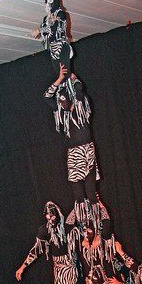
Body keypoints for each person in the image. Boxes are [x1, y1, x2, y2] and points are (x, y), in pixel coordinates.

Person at [44, 65, 98, 211]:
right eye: (60, 100)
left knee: (91, 193)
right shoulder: (62, 113)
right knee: (79, 195)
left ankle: (97, 219)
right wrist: (60, 79)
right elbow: (47, 96)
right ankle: (82, 220)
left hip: (86, 150)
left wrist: (73, 78)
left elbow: (79, 89)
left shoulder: (81, 104)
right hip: (74, 152)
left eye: (64, 99)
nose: (62, 102)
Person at [16, 202, 80, 284]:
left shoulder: (67, 225)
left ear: (58, 214)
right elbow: (36, 250)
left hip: (71, 266)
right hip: (59, 269)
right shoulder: (45, 230)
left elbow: (77, 208)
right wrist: (23, 267)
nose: (51, 219)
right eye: (48, 216)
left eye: (53, 216)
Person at [34, 0, 73, 75]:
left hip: (61, 45)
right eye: (46, 2)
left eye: (48, 2)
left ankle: (72, 81)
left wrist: (40, 30)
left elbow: (55, 27)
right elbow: (46, 32)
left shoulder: (60, 13)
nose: (47, 5)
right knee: (60, 75)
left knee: (65, 73)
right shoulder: (46, 18)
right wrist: (42, 30)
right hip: (52, 48)